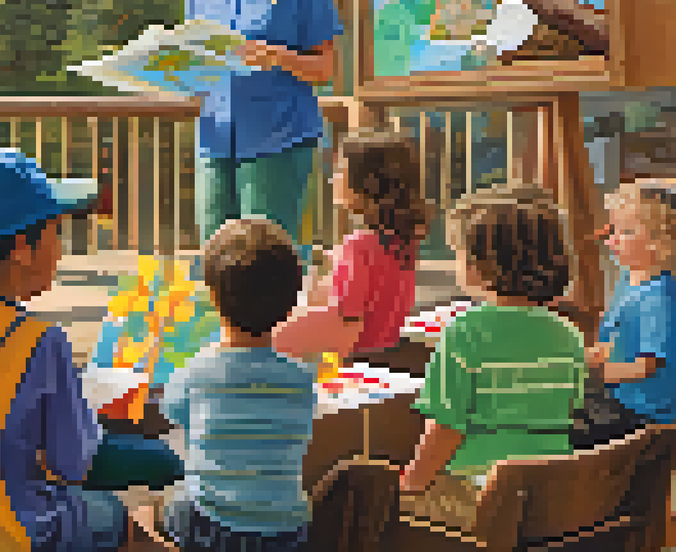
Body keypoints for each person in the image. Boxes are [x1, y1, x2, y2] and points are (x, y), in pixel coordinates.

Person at [0, 148, 183, 552]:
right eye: (55, 231)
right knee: (117, 515)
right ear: (21, 248)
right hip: (10, 535)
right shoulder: (39, 340)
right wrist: (166, 458)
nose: (60, 248)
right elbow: (77, 463)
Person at [399, 184, 587, 531]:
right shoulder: (569, 334)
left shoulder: (465, 332)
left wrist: (409, 484)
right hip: (551, 493)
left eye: (458, 253)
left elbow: (445, 430)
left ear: (480, 267)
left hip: (477, 497)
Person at [188, 0, 343, 251]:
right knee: (215, 258)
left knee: (266, 261)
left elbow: (326, 69)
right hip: (214, 138)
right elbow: (195, 54)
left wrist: (279, 56)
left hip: (279, 138)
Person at [157, 218, 316, 552]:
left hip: (210, 524)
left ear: (214, 299)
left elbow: (169, 410)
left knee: (163, 505)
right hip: (285, 530)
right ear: (289, 305)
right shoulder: (302, 379)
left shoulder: (198, 371)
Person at [272, 130, 427, 364]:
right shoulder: (402, 242)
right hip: (384, 354)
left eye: (340, 171)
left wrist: (273, 333)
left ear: (368, 183)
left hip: (351, 361)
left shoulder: (357, 247)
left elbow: (345, 318)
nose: (332, 179)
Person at [570, 179, 676, 449]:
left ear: (661, 242)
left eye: (626, 232)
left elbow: (647, 366)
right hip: (623, 398)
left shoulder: (658, 297)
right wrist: (580, 358)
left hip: (648, 413)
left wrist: (593, 375)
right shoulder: (630, 280)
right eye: (613, 229)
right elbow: (613, 344)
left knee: (565, 423)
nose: (611, 239)